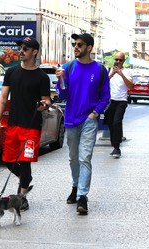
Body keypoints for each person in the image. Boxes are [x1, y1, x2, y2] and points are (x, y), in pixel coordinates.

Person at [55, 33, 110, 214]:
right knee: (73, 158)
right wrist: (61, 79)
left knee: (84, 157)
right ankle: (75, 186)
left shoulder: (100, 70)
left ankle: (82, 197)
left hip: (89, 120)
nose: (76, 47)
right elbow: (62, 95)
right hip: (71, 119)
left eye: (80, 44)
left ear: (89, 48)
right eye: (74, 44)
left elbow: (105, 97)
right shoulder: (68, 67)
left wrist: (95, 113)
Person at [0, 37, 51, 211]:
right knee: (8, 161)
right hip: (13, 124)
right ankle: (25, 179)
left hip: (32, 126)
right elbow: (3, 98)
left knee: (25, 161)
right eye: (20, 47)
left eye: (25, 48)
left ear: (34, 52)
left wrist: (44, 106)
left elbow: (47, 100)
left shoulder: (41, 77)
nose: (21, 51)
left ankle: (22, 196)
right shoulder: (11, 72)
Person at [104, 52, 133, 158]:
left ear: (123, 61)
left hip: (122, 101)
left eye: (120, 60)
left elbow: (130, 85)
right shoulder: (109, 70)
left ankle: (117, 147)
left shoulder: (127, 72)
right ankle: (114, 145)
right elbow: (103, 83)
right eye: (116, 59)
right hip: (111, 101)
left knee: (117, 122)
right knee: (110, 123)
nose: (117, 62)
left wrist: (121, 74)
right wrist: (112, 74)